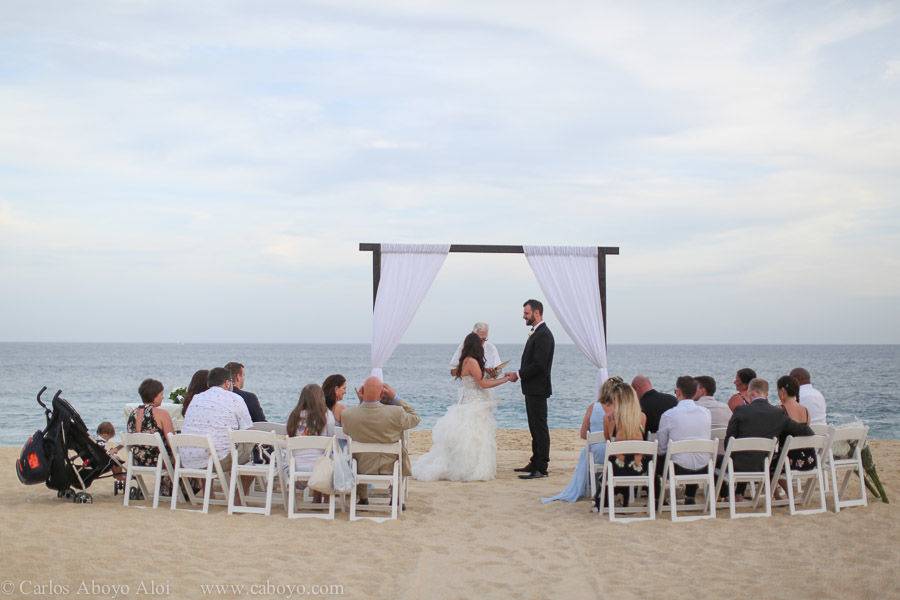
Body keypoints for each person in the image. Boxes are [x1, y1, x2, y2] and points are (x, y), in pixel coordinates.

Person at [414, 332, 513, 482]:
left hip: (469, 400)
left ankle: (467, 466)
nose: (483, 346)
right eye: (481, 343)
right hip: (474, 403)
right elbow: (482, 384)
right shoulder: (472, 361)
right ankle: (470, 469)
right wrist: (505, 379)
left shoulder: (466, 360)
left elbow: (477, 379)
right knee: (474, 436)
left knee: (470, 436)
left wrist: (490, 375)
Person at [724, 378, 814, 493]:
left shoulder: (740, 411)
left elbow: (728, 443)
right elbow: (805, 430)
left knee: (724, 460)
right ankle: (739, 493)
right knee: (753, 455)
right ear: (766, 394)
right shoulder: (777, 413)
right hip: (764, 464)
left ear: (749, 393)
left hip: (738, 467)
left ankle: (728, 494)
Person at [340, 376, 420, 503]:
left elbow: (351, 427)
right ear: (382, 393)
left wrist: (361, 402)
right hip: (389, 468)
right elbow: (415, 418)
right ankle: (396, 497)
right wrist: (395, 397)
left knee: (358, 452)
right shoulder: (396, 412)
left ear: (362, 391)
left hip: (361, 468)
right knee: (399, 449)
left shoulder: (347, 415)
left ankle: (363, 497)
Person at [541, 376, 619, 503]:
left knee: (587, 451)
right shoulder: (622, 409)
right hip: (616, 453)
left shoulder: (593, 407)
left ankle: (593, 487)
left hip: (598, 455)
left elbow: (583, 434)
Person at [509, 299, 555, 479]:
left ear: (537, 313)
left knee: (540, 427)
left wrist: (518, 374)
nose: (524, 316)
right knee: (533, 427)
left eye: (526, 313)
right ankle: (535, 461)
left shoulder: (544, 334)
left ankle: (541, 467)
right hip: (532, 388)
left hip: (538, 388)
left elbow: (539, 365)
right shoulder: (537, 332)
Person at [179, 367, 253, 472]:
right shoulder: (235, 398)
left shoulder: (196, 398)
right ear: (227, 383)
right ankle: (238, 489)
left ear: (209, 384)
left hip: (188, 460)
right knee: (250, 450)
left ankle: (208, 489)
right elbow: (247, 430)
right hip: (217, 461)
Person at [656, 376, 712, 504]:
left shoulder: (669, 415)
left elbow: (661, 448)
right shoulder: (706, 413)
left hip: (677, 468)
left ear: (678, 392)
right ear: (695, 392)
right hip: (704, 467)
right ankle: (690, 496)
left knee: (653, 460)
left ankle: (658, 499)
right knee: (694, 453)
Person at [595, 380, 647, 509]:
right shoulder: (642, 417)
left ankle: (604, 499)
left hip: (617, 469)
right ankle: (624, 497)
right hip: (639, 468)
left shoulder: (609, 418)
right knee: (626, 457)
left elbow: (608, 441)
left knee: (614, 461)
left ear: (617, 400)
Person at [285, 383, 336, 503]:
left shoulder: (292, 416)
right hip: (320, 469)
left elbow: (287, 439)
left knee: (319, 455)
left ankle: (317, 497)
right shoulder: (327, 416)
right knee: (328, 455)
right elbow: (331, 440)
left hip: (295, 466)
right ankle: (324, 498)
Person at [126, 378, 175, 496]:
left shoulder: (132, 413)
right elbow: (172, 441)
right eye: (161, 394)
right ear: (154, 396)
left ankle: (166, 488)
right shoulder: (162, 414)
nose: (163, 397)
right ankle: (172, 490)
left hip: (137, 460)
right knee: (182, 457)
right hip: (157, 460)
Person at [776, 375, 817, 472]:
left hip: (788, 461)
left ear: (782, 391)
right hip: (809, 459)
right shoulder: (805, 410)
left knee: (766, 465)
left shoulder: (780, 410)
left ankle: (787, 488)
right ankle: (788, 488)